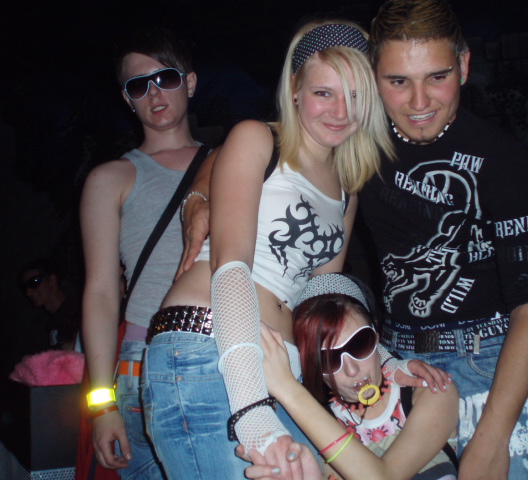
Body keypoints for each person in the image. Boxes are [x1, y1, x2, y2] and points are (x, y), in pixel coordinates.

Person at [142, 20, 448, 480]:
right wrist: (251, 410)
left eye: (356, 96)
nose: (341, 111)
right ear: (294, 90)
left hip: (280, 370)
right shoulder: (257, 139)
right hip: (209, 348)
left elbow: (324, 305)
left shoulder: (347, 189)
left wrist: (385, 363)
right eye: (324, 93)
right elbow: (231, 265)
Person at [353, 1, 528, 479]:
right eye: (398, 81)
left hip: (491, 364)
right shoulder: (356, 148)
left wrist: (492, 436)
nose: (419, 101)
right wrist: (200, 189)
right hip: (395, 367)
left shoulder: (503, 157)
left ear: (463, 66)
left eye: (437, 77)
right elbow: (273, 143)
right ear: (373, 78)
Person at [80, 27, 202, 479]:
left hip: (220, 352)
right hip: (141, 362)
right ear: (127, 99)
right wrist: (101, 405)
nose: (154, 93)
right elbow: (100, 293)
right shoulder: (111, 178)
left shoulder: (231, 162)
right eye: (138, 85)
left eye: (165, 78)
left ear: (189, 83)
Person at [245, 273, 458, 480]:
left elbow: (384, 476)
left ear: (376, 336)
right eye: (329, 358)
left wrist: (287, 387)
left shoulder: (432, 390)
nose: (352, 370)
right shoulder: (322, 426)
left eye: (359, 344)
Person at [20, 257, 81, 351]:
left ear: (52, 279)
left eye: (34, 282)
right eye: (25, 288)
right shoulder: (49, 325)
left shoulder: (78, 311)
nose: (28, 293)